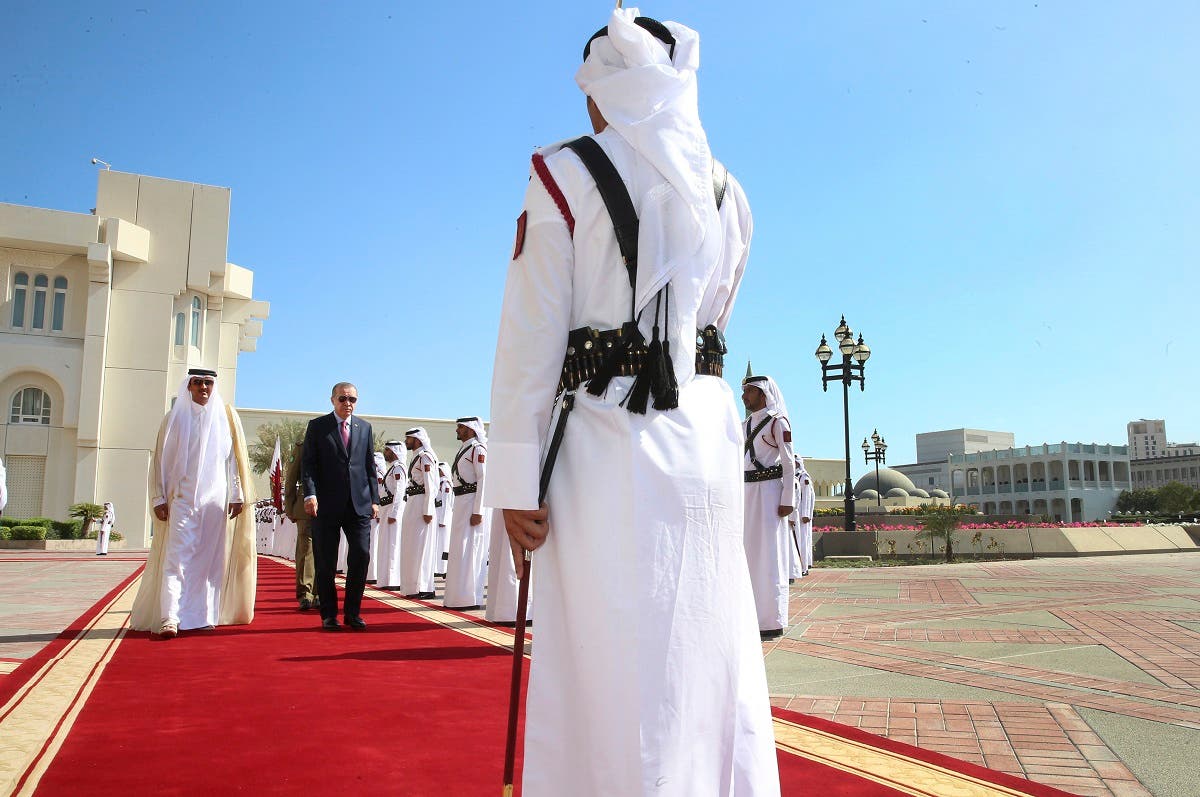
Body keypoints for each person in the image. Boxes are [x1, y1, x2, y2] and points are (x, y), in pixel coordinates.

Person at [483, 9, 779, 795]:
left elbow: (529, 341)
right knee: (702, 661)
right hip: (704, 454)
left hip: (606, 454)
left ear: (603, 92)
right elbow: (708, 331)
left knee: (610, 674)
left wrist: (516, 483)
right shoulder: (729, 192)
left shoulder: (561, 172)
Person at [130, 368, 256, 638]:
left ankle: (201, 616)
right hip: (182, 500)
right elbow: (160, 463)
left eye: (208, 383)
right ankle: (170, 617)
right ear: (188, 387)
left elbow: (232, 461)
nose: (203, 388)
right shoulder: (173, 420)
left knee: (209, 561)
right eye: (197, 383)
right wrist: (159, 497)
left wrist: (237, 495)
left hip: (215, 502)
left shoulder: (225, 419)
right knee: (177, 558)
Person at [301, 382, 380, 632]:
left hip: (359, 504)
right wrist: (309, 495)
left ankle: (353, 613)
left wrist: (375, 499)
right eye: (343, 399)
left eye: (353, 399)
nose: (348, 404)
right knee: (326, 561)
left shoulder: (364, 428)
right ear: (332, 400)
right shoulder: (318, 426)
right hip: (326, 504)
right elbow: (309, 465)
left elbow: (369, 466)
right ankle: (329, 614)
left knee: (361, 555)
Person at [742, 374, 796, 639]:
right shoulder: (745, 424)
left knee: (770, 555)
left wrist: (788, 499)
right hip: (747, 492)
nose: (744, 396)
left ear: (763, 394)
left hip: (770, 493)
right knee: (748, 554)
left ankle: (772, 619)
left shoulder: (777, 421)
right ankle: (750, 616)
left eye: (749, 392)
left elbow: (788, 463)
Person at [444, 417, 490, 610]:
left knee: (470, 549)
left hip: (472, 502)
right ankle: (457, 596)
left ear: (471, 430)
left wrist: (478, 511)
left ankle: (469, 598)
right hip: (462, 502)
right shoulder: (466, 449)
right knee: (459, 550)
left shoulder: (478, 449)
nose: (457, 431)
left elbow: (483, 479)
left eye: (460, 427)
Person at [399, 427, 437, 599]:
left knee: (421, 546)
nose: (406, 441)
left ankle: (423, 587)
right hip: (413, 502)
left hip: (422, 503)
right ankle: (413, 586)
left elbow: (431, 485)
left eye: (409, 438)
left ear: (417, 440)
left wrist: (428, 509)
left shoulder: (425, 457)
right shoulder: (417, 457)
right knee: (412, 546)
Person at [284, 441, 318, 610]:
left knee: (326, 550)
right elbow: (291, 478)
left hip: (331, 504)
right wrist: (289, 506)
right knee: (306, 549)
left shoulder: (338, 443)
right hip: (305, 504)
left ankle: (320, 592)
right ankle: (306, 593)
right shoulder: (303, 447)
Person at [376, 441, 406, 589]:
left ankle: (393, 580)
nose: (385, 452)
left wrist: (394, 512)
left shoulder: (399, 468)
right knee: (385, 544)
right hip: (386, 508)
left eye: (387, 450)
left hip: (393, 510)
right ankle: (386, 579)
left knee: (393, 544)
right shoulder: (392, 468)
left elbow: (399, 492)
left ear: (394, 451)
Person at [794, 456, 816, 577]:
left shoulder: (804, 477)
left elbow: (807, 496)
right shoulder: (795, 476)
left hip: (802, 515)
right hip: (796, 514)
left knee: (803, 540)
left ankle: (804, 566)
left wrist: (806, 514)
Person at [434, 461, 453, 578]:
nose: (438, 472)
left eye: (440, 470)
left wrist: (443, 520)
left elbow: (447, 504)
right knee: (437, 542)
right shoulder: (439, 483)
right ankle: (437, 568)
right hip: (437, 512)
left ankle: (444, 569)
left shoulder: (446, 484)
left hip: (443, 515)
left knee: (443, 542)